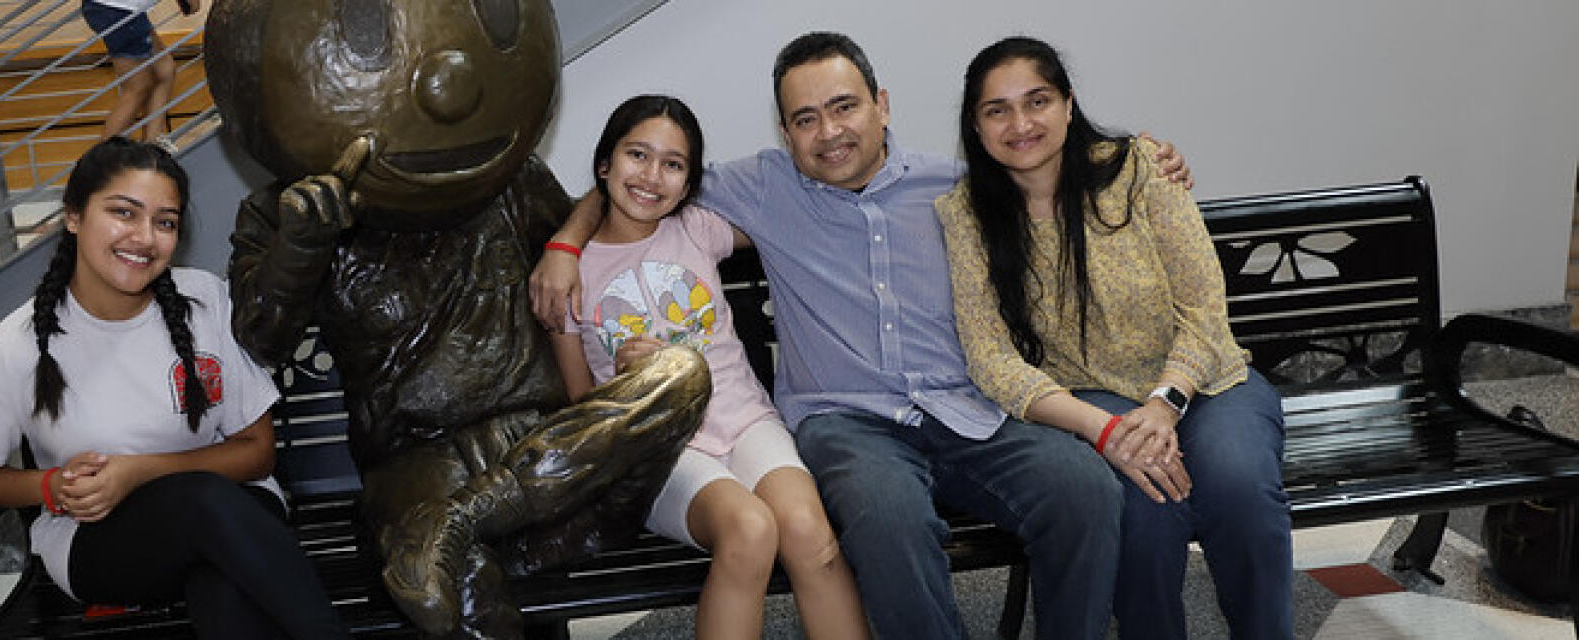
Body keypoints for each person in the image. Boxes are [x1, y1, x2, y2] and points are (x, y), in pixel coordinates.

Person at [531, 32, 1190, 638]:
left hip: (967, 405)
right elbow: (637, 186)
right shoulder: (761, 188)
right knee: (886, 518)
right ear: (785, 133)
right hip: (845, 420)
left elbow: (1050, 163)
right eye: (805, 119)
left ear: (881, 105)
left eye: (844, 107)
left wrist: (1138, 157)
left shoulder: (956, 188)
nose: (829, 132)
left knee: (1084, 491)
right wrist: (564, 243)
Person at [938, 36, 1289, 639]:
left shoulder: (1140, 169)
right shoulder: (968, 213)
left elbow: (1205, 304)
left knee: (1240, 491)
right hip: (1089, 395)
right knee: (1146, 505)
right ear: (975, 125)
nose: (1020, 123)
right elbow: (991, 358)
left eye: (1038, 101)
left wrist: (1165, 402)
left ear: (1069, 105)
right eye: (997, 110)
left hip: (1205, 382)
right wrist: (1104, 428)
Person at [0, 137, 347, 639]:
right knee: (204, 510)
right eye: (124, 213)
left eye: (165, 222)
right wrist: (48, 486)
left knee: (220, 575)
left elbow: (257, 454)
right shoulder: (14, 348)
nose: (145, 238)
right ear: (73, 216)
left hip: (236, 514)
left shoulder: (206, 301)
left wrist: (138, 472)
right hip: (101, 545)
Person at [550, 95, 869, 640]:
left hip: (745, 421)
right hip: (657, 447)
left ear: (689, 181)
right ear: (604, 164)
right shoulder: (567, 277)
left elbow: (792, 206)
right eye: (637, 155)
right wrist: (630, 382)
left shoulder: (697, 229)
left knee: (807, 531)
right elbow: (580, 402)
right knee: (749, 528)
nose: (652, 177)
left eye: (673, 164)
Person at [80, 0, 194, 143]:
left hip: (116, 9)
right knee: (137, 88)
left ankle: (153, 146)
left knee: (164, 69)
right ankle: (104, 162)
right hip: (119, 9)